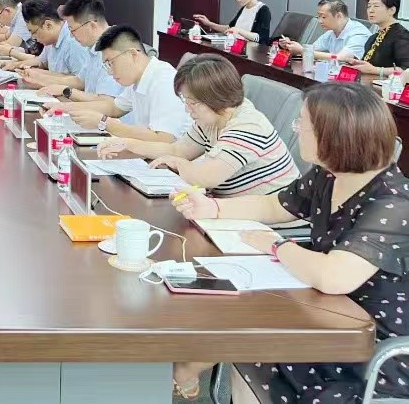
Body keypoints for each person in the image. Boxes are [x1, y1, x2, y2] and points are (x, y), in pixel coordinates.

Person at [171, 82, 409, 404]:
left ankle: (182, 371)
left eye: (303, 124)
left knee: (252, 336)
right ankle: (182, 370)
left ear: (334, 136)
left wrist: (277, 246)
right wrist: (213, 208)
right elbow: (276, 205)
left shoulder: (393, 203)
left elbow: (334, 276)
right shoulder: (328, 175)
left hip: (369, 346)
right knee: (243, 329)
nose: (296, 130)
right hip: (323, 311)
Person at [97, 53, 299, 196]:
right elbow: (178, 150)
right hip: (230, 211)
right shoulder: (214, 116)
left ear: (215, 97)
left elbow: (205, 178)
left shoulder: (247, 126)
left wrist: (178, 163)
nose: (188, 110)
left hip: (270, 225)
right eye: (186, 101)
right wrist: (128, 144)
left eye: (193, 103)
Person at [67, 25, 192, 143]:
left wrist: (104, 123)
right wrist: (66, 108)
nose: (110, 72)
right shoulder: (137, 79)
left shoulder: (164, 81)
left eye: (111, 63)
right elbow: (114, 108)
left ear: (133, 54)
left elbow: (163, 139)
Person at [40, 0, 123, 104]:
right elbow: (80, 80)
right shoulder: (93, 47)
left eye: (73, 30)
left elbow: (106, 102)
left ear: (92, 25)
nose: (71, 36)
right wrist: (43, 79)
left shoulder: (114, 49)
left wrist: (66, 91)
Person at [9, 0, 86, 90]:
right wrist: (17, 65)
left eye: (34, 32)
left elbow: (81, 83)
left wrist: (42, 78)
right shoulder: (50, 40)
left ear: (48, 25)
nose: (33, 37)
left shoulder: (74, 42)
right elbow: (42, 61)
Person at [279, 0, 371, 62]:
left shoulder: (359, 33)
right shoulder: (331, 33)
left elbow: (341, 58)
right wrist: (291, 46)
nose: (319, 21)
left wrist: (303, 50)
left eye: (323, 17)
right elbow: (312, 50)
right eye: (318, 17)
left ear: (338, 16)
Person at [345, 0, 409, 77]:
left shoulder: (402, 36)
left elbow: (406, 69)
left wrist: (376, 70)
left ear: (392, 10)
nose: (371, 10)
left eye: (376, 6)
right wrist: (357, 64)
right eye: (369, 6)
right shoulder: (373, 38)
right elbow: (369, 66)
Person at [193, 0, 271, 44]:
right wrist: (209, 23)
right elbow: (230, 28)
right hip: (235, 47)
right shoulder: (244, 8)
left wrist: (239, 31)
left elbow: (261, 38)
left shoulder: (263, 10)